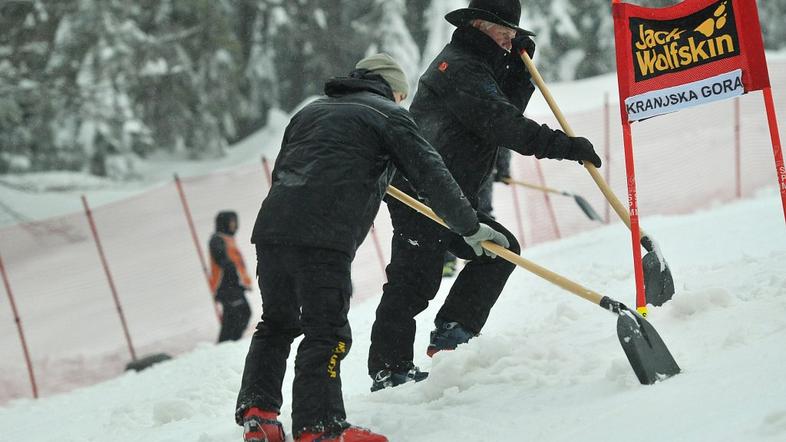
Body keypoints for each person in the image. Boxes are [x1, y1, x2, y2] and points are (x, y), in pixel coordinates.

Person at [234, 53, 509, 442]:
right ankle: (321, 428)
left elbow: (293, 168)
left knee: (277, 323)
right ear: (395, 91)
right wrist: (469, 226)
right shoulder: (390, 115)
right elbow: (433, 174)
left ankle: (258, 417)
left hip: (272, 229)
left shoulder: (310, 112)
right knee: (326, 330)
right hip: (324, 238)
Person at [368, 0, 602, 391]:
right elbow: (505, 124)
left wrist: (521, 71)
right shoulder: (458, 67)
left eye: (514, 36)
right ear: (480, 25)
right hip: (422, 191)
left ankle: (451, 337)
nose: (510, 42)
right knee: (414, 283)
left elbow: (502, 111)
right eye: (506, 35)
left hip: (453, 195)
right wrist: (567, 147)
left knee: (498, 252)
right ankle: (389, 370)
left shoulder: (476, 65)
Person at [209, 210, 252, 343]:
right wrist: (234, 277)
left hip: (234, 285)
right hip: (226, 285)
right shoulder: (217, 239)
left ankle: (229, 342)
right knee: (238, 314)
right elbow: (223, 260)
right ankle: (227, 343)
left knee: (239, 314)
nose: (234, 225)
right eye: (231, 221)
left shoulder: (228, 239)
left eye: (235, 221)